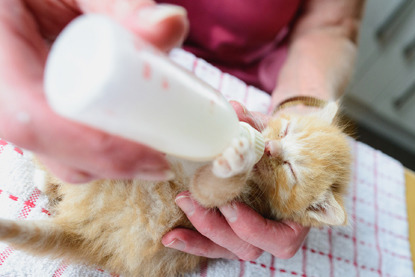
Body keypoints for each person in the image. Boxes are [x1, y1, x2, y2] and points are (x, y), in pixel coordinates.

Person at [0, 0, 364, 262]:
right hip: (113, 50)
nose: (271, 148)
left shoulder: (262, 185)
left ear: (311, 208)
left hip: (234, 78)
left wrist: (300, 105)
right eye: (284, 132)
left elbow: (332, 24)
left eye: (290, 168)